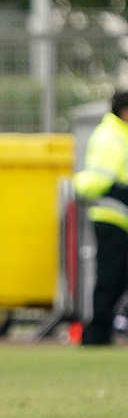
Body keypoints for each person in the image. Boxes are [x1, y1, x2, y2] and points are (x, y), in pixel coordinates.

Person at [73, 90, 128, 345]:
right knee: (110, 280)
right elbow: (96, 182)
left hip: (118, 218)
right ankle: (96, 336)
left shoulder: (118, 134)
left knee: (113, 280)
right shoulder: (112, 137)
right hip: (114, 217)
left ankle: (100, 333)